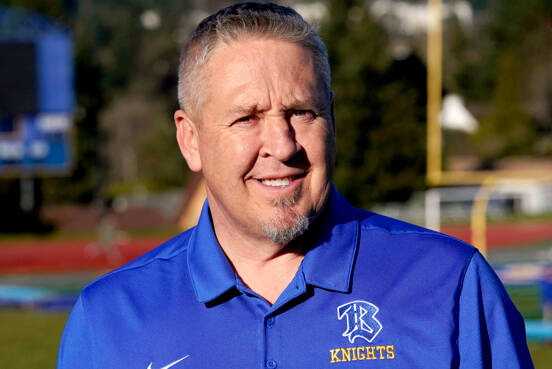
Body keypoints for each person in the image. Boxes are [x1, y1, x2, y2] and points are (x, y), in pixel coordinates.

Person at [57, 3, 534, 368]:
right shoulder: (109, 320)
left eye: (302, 113)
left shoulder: (450, 284)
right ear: (190, 139)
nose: (282, 145)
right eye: (246, 118)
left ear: (332, 120)